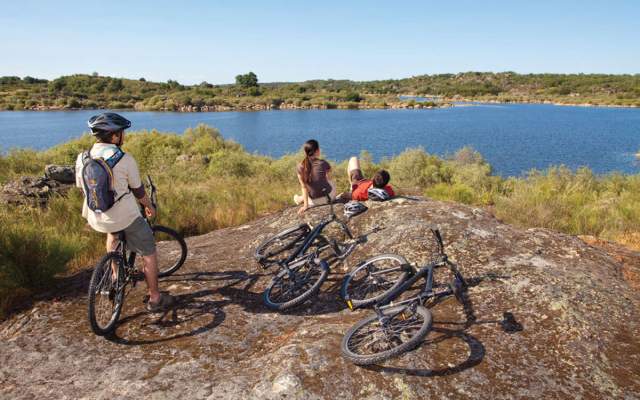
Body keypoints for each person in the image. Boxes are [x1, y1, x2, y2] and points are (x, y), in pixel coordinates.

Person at [75, 112, 174, 312]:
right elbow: (138, 191)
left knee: (112, 234)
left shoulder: (82, 157)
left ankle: (114, 274)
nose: (124, 136)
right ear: (114, 136)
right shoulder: (124, 158)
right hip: (124, 217)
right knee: (149, 252)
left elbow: (81, 187)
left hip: (97, 217)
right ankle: (155, 298)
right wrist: (149, 206)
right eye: (122, 133)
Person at [293, 139, 336, 214]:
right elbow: (329, 177)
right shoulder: (323, 163)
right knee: (331, 182)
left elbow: (304, 187)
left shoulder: (300, 167)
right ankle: (301, 198)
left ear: (305, 152)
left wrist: (306, 206)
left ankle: (300, 199)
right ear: (317, 151)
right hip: (329, 198)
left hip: (313, 202)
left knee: (308, 188)